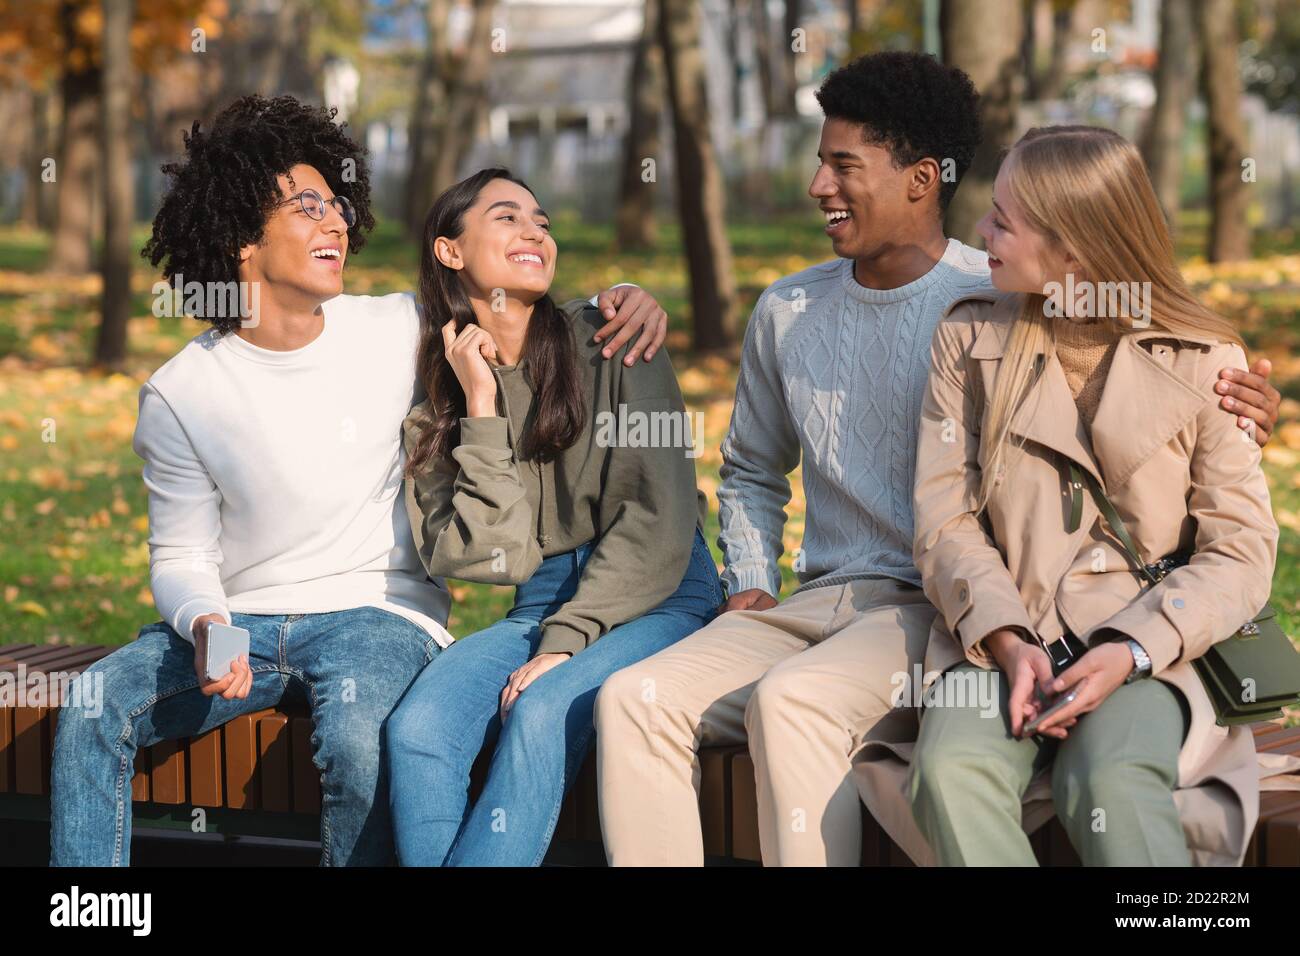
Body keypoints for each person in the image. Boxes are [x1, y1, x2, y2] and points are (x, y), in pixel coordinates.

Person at [594, 53, 1282, 867]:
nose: (818, 187)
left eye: (842, 165)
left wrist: (1235, 408)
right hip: (887, 608)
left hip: (955, 611)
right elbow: (780, 476)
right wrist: (752, 578)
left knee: (808, 708)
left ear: (923, 178)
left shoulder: (1018, 310)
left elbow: (1220, 515)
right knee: (633, 698)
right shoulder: (852, 315)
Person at [49, 96, 670, 866]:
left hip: (377, 614)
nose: (336, 221)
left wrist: (621, 299)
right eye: (306, 206)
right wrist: (207, 623)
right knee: (90, 704)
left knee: (359, 737)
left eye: (336, 204)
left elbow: (513, 312)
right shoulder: (181, 393)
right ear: (244, 235)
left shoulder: (400, 329)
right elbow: (179, 555)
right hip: (238, 618)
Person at [907, 125, 1281, 866]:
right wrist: (1009, 642)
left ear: (1073, 249)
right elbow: (943, 517)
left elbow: (1242, 548)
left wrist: (1131, 649)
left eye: (1003, 219)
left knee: (1108, 779)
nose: (980, 228)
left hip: (1154, 644)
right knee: (949, 772)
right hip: (1002, 638)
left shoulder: (1208, 360)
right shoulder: (969, 340)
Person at [384, 168, 721, 866]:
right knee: (418, 726)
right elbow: (493, 559)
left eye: (541, 219)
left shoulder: (615, 337)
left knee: (539, 711)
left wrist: (565, 642)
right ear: (451, 252)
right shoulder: (440, 407)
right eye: (506, 217)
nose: (535, 230)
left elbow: (657, 520)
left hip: (659, 597)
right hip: (538, 605)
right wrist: (482, 408)